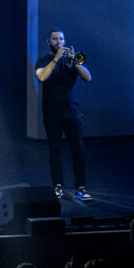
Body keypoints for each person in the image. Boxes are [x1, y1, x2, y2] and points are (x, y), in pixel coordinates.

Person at [34, 29, 93, 200]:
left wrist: (76, 63)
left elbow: (88, 78)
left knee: (78, 150)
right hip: (52, 112)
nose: (58, 42)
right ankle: (57, 185)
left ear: (65, 41)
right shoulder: (43, 61)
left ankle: (81, 187)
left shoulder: (73, 60)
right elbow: (42, 77)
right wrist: (56, 59)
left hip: (72, 111)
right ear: (49, 41)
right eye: (54, 39)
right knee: (55, 150)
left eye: (61, 39)